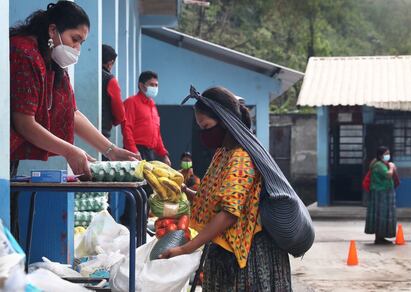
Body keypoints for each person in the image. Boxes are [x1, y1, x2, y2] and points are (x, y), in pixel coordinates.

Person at [161, 87, 291, 291]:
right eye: (200, 128)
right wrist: (184, 189)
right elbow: (213, 202)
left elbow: (229, 213)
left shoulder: (241, 157)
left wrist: (187, 248)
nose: (204, 134)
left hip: (248, 256)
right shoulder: (223, 154)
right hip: (224, 252)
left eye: (207, 127)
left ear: (225, 120)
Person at [9, 1, 139, 178]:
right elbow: (24, 123)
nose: (77, 48)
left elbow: (72, 113)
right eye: (74, 39)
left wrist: (111, 151)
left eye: (81, 42)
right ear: (52, 30)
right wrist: (69, 151)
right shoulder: (24, 54)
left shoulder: (51, 62)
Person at [122, 71, 171, 165]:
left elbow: (157, 134)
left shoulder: (153, 106)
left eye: (156, 85)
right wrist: (133, 151)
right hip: (135, 152)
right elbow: (126, 128)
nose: (155, 88)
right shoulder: (131, 102)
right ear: (141, 85)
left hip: (149, 153)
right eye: (151, 85)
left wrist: (164, 154)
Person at [365, 146, 398, 244]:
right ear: (380, 155)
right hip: (381, 193)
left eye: (388, 153)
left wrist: (391, 167)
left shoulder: (383, 164)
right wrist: (392, 167)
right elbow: (388, 175)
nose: (388, 155)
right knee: (381, 214)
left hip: (385, 192)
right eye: (386, 154)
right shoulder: (379, 165)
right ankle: (379, 238)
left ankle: (381, 237)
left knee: (383, 214)